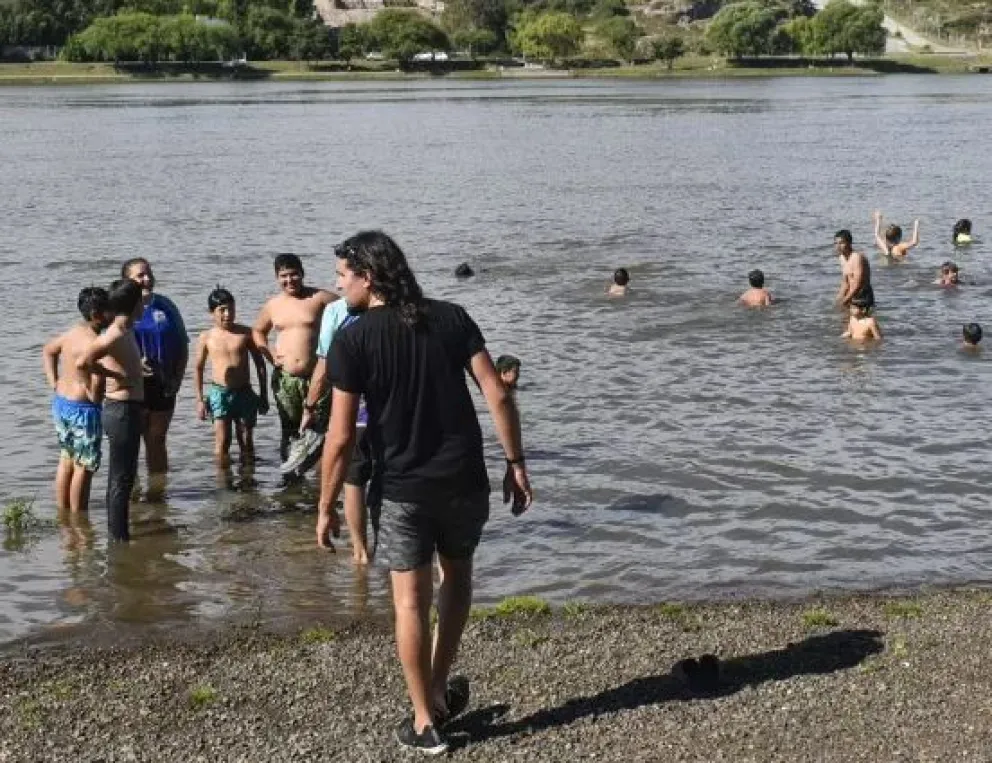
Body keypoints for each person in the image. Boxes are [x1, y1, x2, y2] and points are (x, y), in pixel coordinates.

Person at [317, 231, 532, 754]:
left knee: (410, 603)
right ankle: (436, 688)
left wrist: (324, 506)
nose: (338, 285)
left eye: (343, 275)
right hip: (464, 479)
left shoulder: (354, 338)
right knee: (457, 577)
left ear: (368, 277)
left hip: (404, 490)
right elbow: (497, 394)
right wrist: (516, 463)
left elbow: (342, 435)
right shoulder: (452, 317)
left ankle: (422, 721)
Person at [299, 296, 377, 564]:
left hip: (355, 411)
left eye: (342, 275)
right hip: (392, 414)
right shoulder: (397, 307)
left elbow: (323, 365)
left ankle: (361, 551)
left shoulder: (336, 311)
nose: (338, 284)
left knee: (354, 481)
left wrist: (309, 406)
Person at [76, 279, 145, 542]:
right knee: (120, 479)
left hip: (127, 408)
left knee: (123, 478)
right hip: (121, 410)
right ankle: (118, 540)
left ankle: (119, 534)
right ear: (136, 304)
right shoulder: (115, 333)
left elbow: (121, 361)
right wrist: (112, 373)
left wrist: (137, 370)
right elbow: (84, 361)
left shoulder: (126, 329)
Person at [252, 253, 336, 461]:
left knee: (320, 430)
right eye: (284, 276)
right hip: (286, 379)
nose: (289, 280)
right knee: (289, 430)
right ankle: (290, 480)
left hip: (318, 377)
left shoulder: (320, 298)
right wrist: (270, 354)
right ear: (277, 278)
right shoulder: (273, 305)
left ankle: (319, 480)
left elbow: (351, 311)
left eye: (294, 274)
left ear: (302, 273)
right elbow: (258, 332)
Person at [42, 287, 112, 514]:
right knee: (84, 466)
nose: (112, 316)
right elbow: (95, 392)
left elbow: (48, 350)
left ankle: (63, 511)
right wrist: (98, 395)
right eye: (108, 311)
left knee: (66, 459)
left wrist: (54, 381)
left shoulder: (72, 332)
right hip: (84, 409)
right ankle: (79, 515)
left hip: (62, 404)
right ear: (96, 314)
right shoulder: (96, 344)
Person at [122, 258, 189, 482]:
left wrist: (178, 379)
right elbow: (106, 349)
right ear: (127, 280)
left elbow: (183, 344)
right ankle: (131, 496)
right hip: (132, 385)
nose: (147, 278)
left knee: (157, 439)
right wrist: (132, 366)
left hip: (163, 383)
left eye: (149, 273)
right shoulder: (120, 310)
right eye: (140, 275)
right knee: (130, 443)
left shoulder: (166, 305)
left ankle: (158, 492)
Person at [193, 287, 269, 466]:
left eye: (231, 309)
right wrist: (199, 399)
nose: (228, 314)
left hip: (244, 392)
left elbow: (260, 365)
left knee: (246, 441)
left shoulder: (245, 333)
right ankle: (223, 483)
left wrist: (264, 395)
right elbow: (198, 368)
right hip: (219, 393)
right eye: (222, 310)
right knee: (222, 442)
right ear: (212, 312)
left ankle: (249, 480)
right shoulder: (206, 337)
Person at [834, 230, 874, 310]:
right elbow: (845, 283)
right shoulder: (842, 258)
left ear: (849, 243)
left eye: (841, 243)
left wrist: (844, 301)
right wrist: (838, 299)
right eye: (836, 243)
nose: (838, 246)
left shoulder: (856, 257)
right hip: (851, 296)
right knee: (844, 319)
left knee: (861, 321)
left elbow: (858, 285)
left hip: (863, 297)